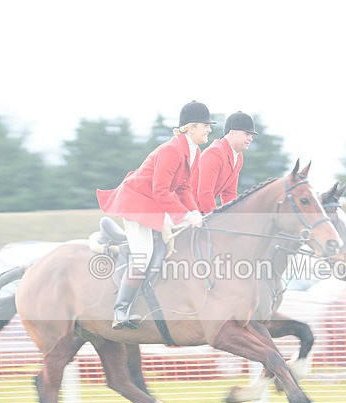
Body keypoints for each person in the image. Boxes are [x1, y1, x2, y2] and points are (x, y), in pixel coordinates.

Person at [96, 101, 215, 329]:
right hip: (138, 202)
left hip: (154, 203)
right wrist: (185, 216)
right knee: (144, 253)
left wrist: (194, 213)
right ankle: (120, 311)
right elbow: (160, 191)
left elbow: (184, 189)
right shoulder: (171, 150)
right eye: (205, 125)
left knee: (183, 231)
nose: (209, 129)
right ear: (190, 128)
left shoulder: (194, 152)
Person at [194, 111, 257, 214]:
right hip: (185, 212)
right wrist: (215, 220)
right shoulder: (214, 153)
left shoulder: (238, 156)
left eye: (251, 135)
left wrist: (231, 217)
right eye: (247, 134)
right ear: (232, 133)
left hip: (200, 212)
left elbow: (229, 193)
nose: (251, 138)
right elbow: (205, 194)